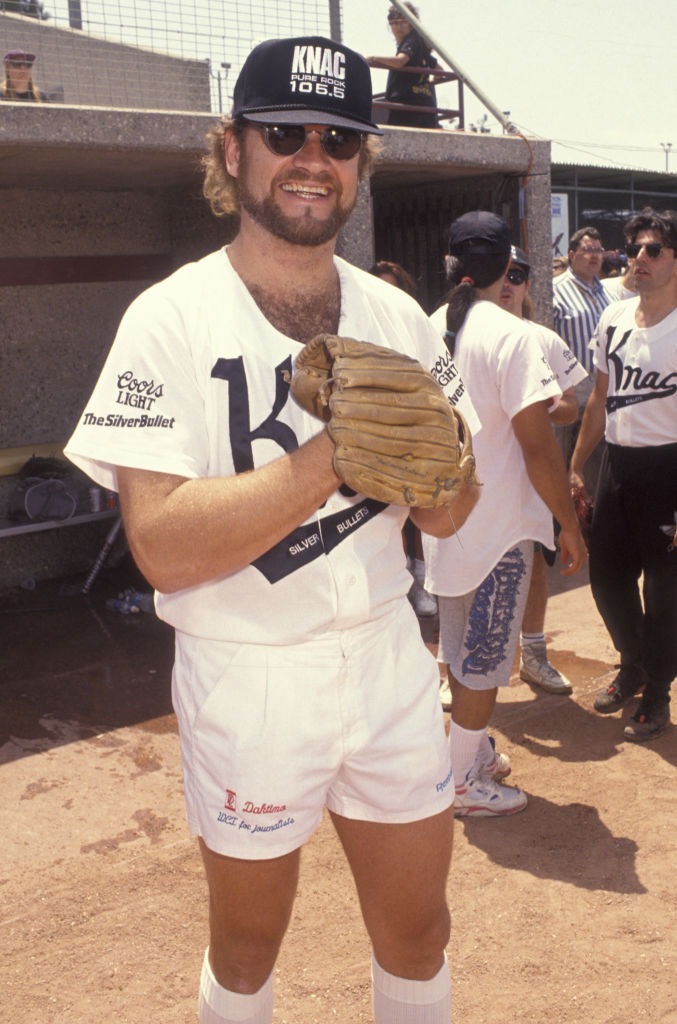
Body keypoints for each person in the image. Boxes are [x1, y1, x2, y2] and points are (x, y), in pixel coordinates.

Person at [65, 35, 481, 1024]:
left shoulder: (397, 316)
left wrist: (440, 465)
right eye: (284, 132)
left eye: (338, 140)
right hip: (245, 671)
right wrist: (332, 454)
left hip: (383, 653)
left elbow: (448, 510)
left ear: (360, 163)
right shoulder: (168, 318)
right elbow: (162, 547)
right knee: (248, 949)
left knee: (419, 931)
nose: (311, 157)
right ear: (233, 149)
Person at [426, 211, 587, 817]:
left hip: (447, 522)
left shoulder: (429, 326)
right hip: (498, 529)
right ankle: (461, 784)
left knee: (462, 652)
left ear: (452, 265)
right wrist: (568, 524)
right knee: (486, 661)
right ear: (506, 267)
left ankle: (469, 753)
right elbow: (539, 446)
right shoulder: (512, 336)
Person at [570, 208, 677, 742]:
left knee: (664, 590)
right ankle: (632, 662)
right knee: (607, 578)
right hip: (617, 463)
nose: (639, 258)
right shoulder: (612, 318)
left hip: (668, 469)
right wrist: (575, 465)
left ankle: (657, 689)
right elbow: (599, 398)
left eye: (653, 249)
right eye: (634, 249)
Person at [498, 246, 587, 695]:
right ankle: (454, 664)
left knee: (534, 564)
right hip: (476, 478)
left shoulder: (544, 339)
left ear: (529, 284)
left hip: (532, 476)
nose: (508, 283)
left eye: (517, 275)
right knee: (466, 569)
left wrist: (545, 402)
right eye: (501, 273)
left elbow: (572, 407)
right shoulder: (455, 333)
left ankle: (533, 655)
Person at [369, 258, 438, 617]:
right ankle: (402, 583)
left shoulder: (416, 328)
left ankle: (422, 582)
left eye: (392, 288)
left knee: (419, 510)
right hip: (373, 435)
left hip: (412, 430)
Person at [552, 227, 611, 486]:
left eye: (598, 250)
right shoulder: (555, 291)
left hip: (601, 391)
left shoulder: (608, 294)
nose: (595, 255)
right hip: (569, 392)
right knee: (561, 462)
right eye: (587, 250)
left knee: (593, 466)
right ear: (572, 254)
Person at [366, 3, 440, 129]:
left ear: (412, 23)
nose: (398, 26)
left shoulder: (411, 42)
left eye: (403, 22)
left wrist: (373, 58)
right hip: (425, 107)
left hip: (407, 107)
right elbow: (439, 70)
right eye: (394, 23)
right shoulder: (421, 46)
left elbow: (400, 61)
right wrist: (428, 84)